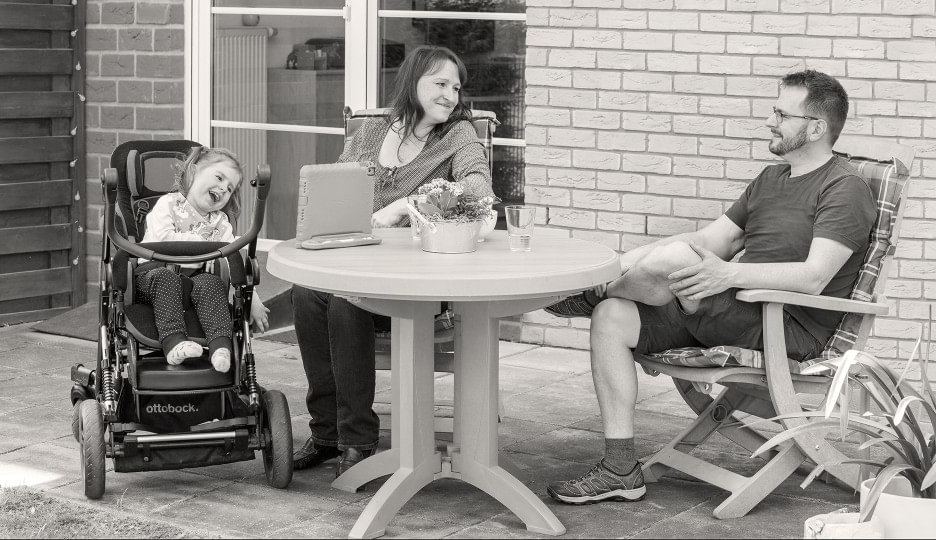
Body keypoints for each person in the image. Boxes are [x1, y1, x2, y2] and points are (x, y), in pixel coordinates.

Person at [543, 70, 876, 505]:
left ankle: (592, 295)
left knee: (675, 263)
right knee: (614, 316)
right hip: (729, 310)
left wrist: (729, 275)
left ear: (816, 127)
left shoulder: (844, 187)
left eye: (781, 113)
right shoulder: (770, 179)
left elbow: (814, 276)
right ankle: (620, 469)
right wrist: (620, 261)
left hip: (784, 325)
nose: (770, 121)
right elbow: (708, 242)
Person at [291, 45, 495, 477]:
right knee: (307, 294)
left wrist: (408, 203)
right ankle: (326, 433)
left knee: (349, 302)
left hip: (417, 288)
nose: (450, 95)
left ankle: (358, 440)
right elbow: (335, 191)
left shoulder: (458, 136)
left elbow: (477, 190)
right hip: (360, 268)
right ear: (413, 82)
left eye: (456, 87)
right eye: (440, 84)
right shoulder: (370, 133)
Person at [137, 146, 270, 372]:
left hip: (192, 283)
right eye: (218, 177)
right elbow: (162, 239)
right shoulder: (168, 205)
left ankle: (221, 348)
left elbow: (233, 257)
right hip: (153, 276)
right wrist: (203, 244)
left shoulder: (221, 223)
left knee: (212, 283)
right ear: (194, 172)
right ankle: (174, 344)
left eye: (230, 188)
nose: (223, 188)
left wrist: (252, 297)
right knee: (165, 277)